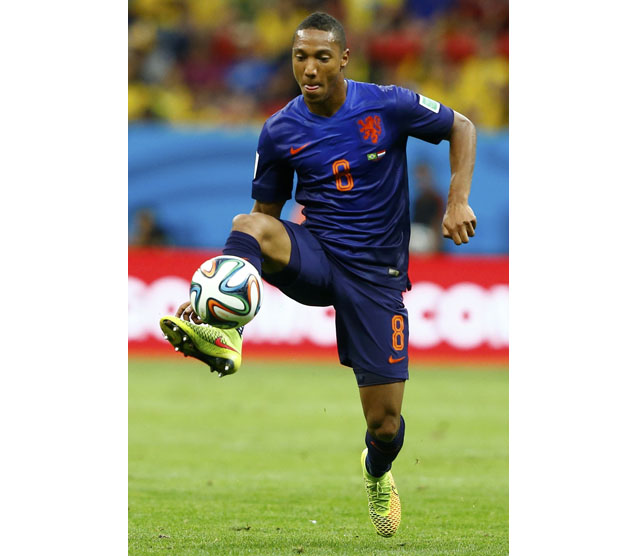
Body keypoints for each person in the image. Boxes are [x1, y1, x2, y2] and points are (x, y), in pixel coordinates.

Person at [159, 12, 477, 538]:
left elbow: (460, 127)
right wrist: (214, 294)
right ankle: (224, 332)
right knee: (249, 225)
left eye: (321, 57)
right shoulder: (281, 129)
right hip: (320, 255)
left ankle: (376, 471)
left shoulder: (386, 104)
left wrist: (457, 200)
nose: (309, 68)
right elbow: (263, 220)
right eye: (299, 57)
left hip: (377, 278)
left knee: (386, 424)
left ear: (344, 59)